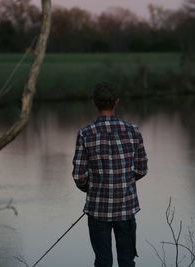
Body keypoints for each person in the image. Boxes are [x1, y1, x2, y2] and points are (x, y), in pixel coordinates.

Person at [72, 82, 148, 267]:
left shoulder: (85, 133)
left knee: (103, 261)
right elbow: (141, 169)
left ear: (94, 103)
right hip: (126, 208)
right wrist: (124, 181)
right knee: (127, 261)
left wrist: (94, 188)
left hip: (97, 210)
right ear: (117, 102)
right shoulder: (133, 131)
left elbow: (79, 176)